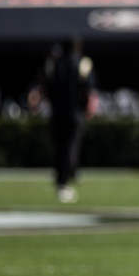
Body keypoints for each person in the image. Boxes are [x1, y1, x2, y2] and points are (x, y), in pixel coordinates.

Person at [45, 38, 97, 203]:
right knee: (70, 147)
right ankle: (65, 180)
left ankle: (60, 178)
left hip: (57, 113)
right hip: (74, 113)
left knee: (59, 147)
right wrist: (86, 107)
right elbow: (88, 87)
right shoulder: (82, 63)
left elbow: (47, 85)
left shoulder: (54, 63)